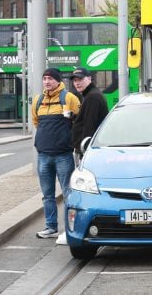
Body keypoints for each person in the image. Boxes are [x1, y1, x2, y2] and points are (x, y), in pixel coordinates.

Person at [32, 68, 81, 239]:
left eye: (50, 78)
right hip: (44, 155)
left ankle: (70, 229)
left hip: (63, 155)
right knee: (47, 195)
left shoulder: (68, 98)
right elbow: (36, 122)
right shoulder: (38, 100)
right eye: (44, 78)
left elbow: (78, 120)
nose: (47, 81)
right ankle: (51, 227)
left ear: (58, 80)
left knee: (68, 193)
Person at [70, 67, 109, 162]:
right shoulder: (90, 95)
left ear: (89, 79)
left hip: (88, 150)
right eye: (75, 80)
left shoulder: (92, 97)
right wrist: (74, 117)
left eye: (80, 79)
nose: (77, 83)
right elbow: (86, 117)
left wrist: (85, 150)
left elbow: (89, 125)